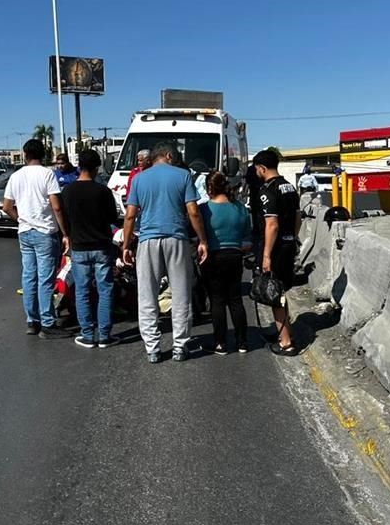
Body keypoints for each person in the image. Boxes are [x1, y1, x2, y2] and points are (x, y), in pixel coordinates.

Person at [122, 141, 209, 363]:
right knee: (181, 294)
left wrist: (126, 245)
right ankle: (180, 345)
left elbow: (130, 215)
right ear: (169, 155)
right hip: (176, 238)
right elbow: (193, 212)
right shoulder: (183, 176)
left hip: (148, 240)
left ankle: (152, 347)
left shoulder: (140, 178)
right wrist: (202, 240)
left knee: (147, 294)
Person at [3, 139, 73, 339]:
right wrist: (65, 233)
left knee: (29, 277)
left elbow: (6, 206)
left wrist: (22, 220)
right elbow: (57, 207)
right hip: (45, 232)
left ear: (25, 154)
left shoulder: (15, 176)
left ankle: (32, 321)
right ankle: (48, 323)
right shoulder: (47, 174)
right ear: (43, 154)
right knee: (45, 279)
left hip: (25, 232)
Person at [61, 148, 121, 349]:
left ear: (79, 167)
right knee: (105, 290)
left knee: (82, 291)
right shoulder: (103, 191)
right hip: (102, 246)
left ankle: (87, 334)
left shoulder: (67, 191)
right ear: (96, 168)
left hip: (79, 247)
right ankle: (105, 335)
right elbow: (113, 218)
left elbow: (64, 217)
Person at [253, 149, 302, 356]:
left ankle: (286, 343)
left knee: (274, 293)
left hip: (277, 247)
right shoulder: (290, 187)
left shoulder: (268, 190)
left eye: (256, 169)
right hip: (289, 243)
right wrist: (292, 237)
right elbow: (298, 217)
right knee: (281, 291)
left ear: (262, 168)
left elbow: (271, 224)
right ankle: (284, 332)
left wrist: (266, 255)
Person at [199, 171, 252, 354]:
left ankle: (220, 343)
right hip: (235, 256)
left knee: (217, 301)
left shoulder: (205, 210)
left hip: (213, 256)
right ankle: (242, 342)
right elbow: (247, 235)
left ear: (210, 188)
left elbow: (198, 233)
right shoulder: (240, 208)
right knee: (235, 300)